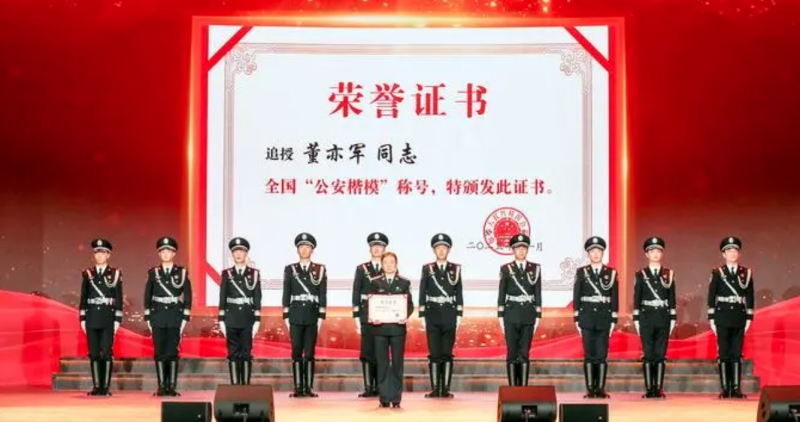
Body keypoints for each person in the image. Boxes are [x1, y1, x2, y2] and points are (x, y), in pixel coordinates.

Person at [143, 237, 192, 396]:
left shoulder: (181, 272)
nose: (165, 254)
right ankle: (161, 386)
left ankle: (171, 386)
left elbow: (188, 296)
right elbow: (147, 295)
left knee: (172, 352)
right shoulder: (153, 273)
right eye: (162, 251)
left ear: (174, 253)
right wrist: (148, 317)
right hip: (157, 315)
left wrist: (185, 317)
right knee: (159, 351)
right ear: (159, 253)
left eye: (168, 251)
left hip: (174, 315)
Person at [707, 236, 754, 399]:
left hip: (739, 316)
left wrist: (749, 317)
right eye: (729, 251)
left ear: (738, 253)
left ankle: (735, 388)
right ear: (724, 254)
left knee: (736, 353)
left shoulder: (746, 273)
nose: (732, 254)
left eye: (735, 251)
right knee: (724, 353)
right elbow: (711, 296)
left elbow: (749, 296)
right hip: (722, 315)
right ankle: (725, 388)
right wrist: (711, 318)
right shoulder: (717, 272)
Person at [572, 236, 618, 399]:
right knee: (589, 355)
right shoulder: (582, 272)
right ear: (588, 254)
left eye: (599, 251)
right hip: (587, 317)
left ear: (603, 252)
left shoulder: (611, 273)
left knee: (601, 355)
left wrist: (613, 319)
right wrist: (576, 318)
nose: (596, 254)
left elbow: (614, 297)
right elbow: (577, 295)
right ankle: (591, 389)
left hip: (603, 318)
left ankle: (600, 388)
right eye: (592, 251)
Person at [419, 233, 464, 398]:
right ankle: (435, 388)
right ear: (434, 250)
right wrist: (422, 314)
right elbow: (422, 291)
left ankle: (445, 388)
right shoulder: (428, 269)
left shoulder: (455, 269)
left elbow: (459, 292)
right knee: (434, 353)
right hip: (432, 314)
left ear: (448, 250)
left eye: (444, 248)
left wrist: (459, 314)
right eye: (438, 248)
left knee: (447, 352)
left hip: (449, 314)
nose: (441, 251)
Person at [283, 232, 327, 398]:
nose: (304, 249)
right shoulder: (290, 269)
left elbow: (322, 294)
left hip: (312, 314)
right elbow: (286, 293)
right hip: (295, 314)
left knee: (309, 352)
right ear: (297, 249)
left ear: (312, 250)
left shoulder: (319, 270)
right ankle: (298, 387)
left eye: (307, 247)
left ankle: (308, 387)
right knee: (296, 351)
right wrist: (286, 315)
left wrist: (321, 316)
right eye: (301, 247)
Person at [79, 238, 124, 396]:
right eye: (97, 253)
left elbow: (118, 298)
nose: (99, 255)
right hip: (92, 317)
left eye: (103, 253)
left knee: (106, 352)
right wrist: (82, 318)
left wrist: (117, 319)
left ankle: (105, 386)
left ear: (108, 255)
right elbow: (84, 297)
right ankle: (96, 386)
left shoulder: (115, 274)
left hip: (107, 318)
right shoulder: (88, 274)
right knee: (93, 352)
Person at [632, 237, 676, 399]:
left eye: (658, 251)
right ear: (647, 254)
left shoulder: (668, 274)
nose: (655, 254)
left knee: (660, 354)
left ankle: (658, 388)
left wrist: (673, 318)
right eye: (652, 251)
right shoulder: (641, 274)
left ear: (662, 253)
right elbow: (637, 298)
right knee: (648, 354)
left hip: (663, 317)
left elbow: (671, 298)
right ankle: (649, 388)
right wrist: (636, 318)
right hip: (646, 317)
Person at [369, 252, 414, 408]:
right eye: (386, 262)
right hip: (380, 329)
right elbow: (369, 304)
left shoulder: (404, 283)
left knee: (397, 364)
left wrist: (405, 316)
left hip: (397, 329)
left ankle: (395, 398)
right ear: (382, 265)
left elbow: (409, 305)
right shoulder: (375, 282)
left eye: (392, 262)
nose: (389, 265)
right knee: (382, 364)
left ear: (396, 264)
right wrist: (372, 317)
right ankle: (384, 398)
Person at [497, 233, 541, 387]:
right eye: (518, 248)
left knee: (524, 352)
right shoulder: (506, 269)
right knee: (512, 352)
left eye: (524, 248)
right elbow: (502, 292)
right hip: (511, 313)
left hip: (528, 314)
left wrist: (538, 314)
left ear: (527, 250)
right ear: (513, 250)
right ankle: (512, 389)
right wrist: (500, 315)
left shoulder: (535, 268)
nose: (521, 251)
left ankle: (522, 388)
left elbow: (537, 292)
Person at [218, 237, 262, 385]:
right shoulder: (227, 274)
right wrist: (221, 319)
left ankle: (245, 387)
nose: (238, 254)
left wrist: (257, 320)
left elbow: (257, 297)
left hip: (247, 318)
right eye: (235, 251)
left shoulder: (254, 274)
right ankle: (235, 386)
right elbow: (222, 297)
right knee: (233, 353)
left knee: (246, 353)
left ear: (246, 253)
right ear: (232, 254)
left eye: (241, 251)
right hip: (231, 318)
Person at [351, 232, 387, 398]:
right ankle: (368, 387)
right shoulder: (361, 269)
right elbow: (356, 293)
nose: (377, 249)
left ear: (384, 249)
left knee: (381, 351)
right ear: (370, 249)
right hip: (366, 314)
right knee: (367, 351)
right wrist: (356, 317)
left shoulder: (389, 267)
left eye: (380, 246)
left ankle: (380, 386)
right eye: (374, 246)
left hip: (384, 314)